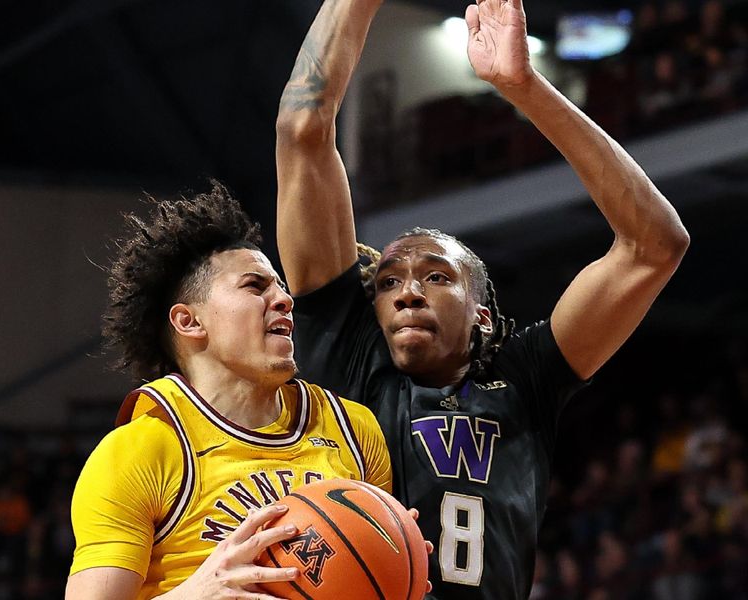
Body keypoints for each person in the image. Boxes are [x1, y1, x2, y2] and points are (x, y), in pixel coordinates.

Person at [275, 0, 689, 598]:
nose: (408, 292)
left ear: (483, 316)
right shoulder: (348, 351)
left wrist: (524, 89)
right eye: (388, 281)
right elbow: (302, 130)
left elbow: (654, 246)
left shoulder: (525, 377)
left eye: (437, 278)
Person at [65, 182, 393, 600]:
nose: (284, 299)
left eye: (280, 286)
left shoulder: (352, 426)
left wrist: (398, 567)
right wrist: (199, 593)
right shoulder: (141, 450)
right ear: (189, 322)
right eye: (255, 287)